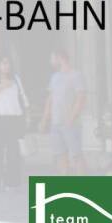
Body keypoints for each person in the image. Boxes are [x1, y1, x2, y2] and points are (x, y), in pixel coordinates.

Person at [0, 54, 27, 192]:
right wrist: (1, 87)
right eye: (3, 63)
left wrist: (26, 115)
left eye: (8, 63)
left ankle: (12, 183)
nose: (6, 66)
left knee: (13, 152)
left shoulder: (16, 79)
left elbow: (23, 98)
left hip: (13, 119)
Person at [41, 47, 87, 175]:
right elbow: (50, 99)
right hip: (56, 124)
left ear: (59, 57)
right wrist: (45, 119)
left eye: (52, 58)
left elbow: (81, 98)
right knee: (60, 155)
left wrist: (71, 118)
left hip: (71, 124)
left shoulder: (76, 75)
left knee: (76, 155)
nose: (50, 61)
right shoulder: (54, 77)